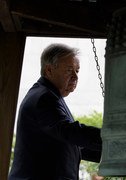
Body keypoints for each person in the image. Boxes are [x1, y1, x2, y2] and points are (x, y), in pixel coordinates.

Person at [9, 43, 103, 180]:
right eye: (69, 70)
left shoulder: (48, 95)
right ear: (49, 70)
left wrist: (114, 153)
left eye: (77, 71)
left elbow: (70, 144)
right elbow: (70, 132)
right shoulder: (44, 98)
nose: (75, 77)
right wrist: (113, 137)